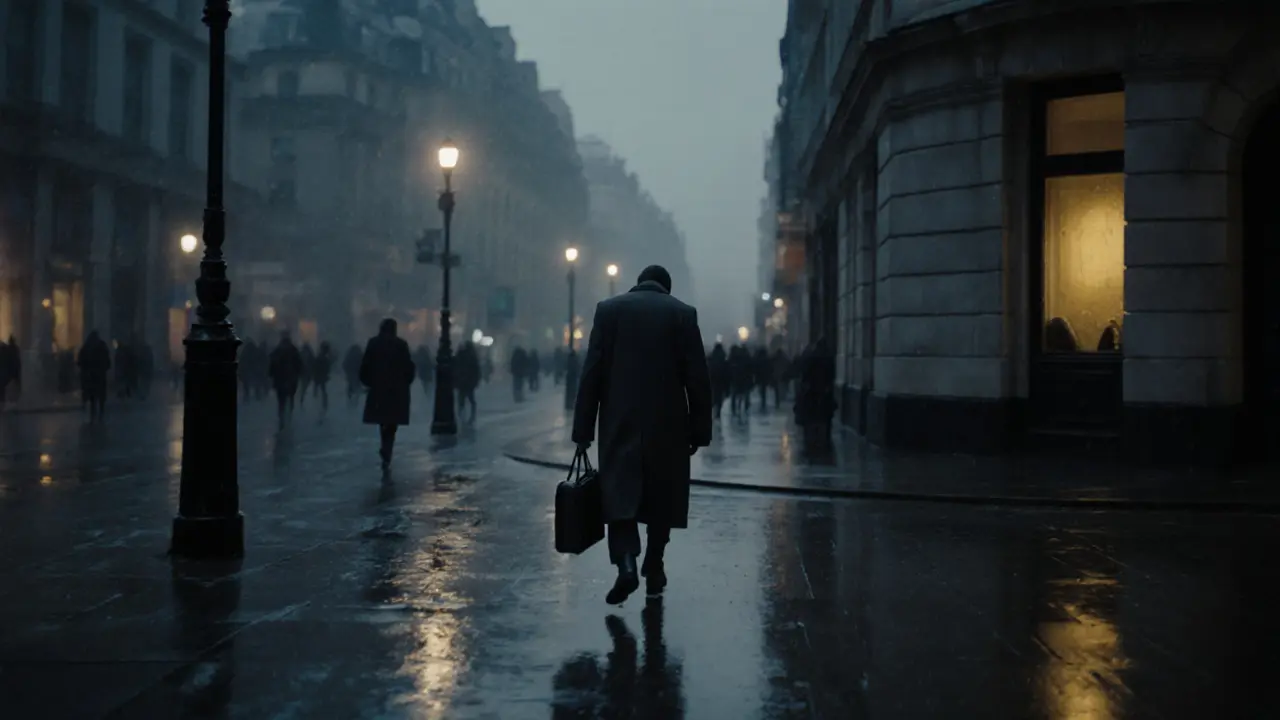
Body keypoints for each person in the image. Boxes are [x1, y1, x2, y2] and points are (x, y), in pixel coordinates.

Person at [572, 264, 713, 606]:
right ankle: (655, 561)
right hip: (669, 423)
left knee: (619, 498)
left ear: (638, 284)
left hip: (619, 420)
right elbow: (698, 379)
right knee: (661, 496)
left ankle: (626, 565)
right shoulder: (683, 314)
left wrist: (582, 431)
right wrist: (700, 430)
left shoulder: (609, 312)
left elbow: (591, 374)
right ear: (667, 287)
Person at [360, 318, 415, 471]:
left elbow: (365, 365)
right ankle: (387, 447)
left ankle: (385, 444)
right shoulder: (401, 344)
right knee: (392, 421)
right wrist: (406, 382)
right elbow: (408, 367)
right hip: (396, 389)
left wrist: (368, 382)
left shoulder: (374, 343)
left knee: (382, 418)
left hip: (378, 387)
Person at [268, 331, 303, 429]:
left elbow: (272, 365)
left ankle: (282, 416)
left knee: (281, 400)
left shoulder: (278, 351)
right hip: (291, 379)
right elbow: (299, 365)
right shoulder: (293, 350)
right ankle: (287, 415)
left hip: (281, 379)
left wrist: (271, 375)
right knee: (290, 398)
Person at [77, 331, 111, 421]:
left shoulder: (86, 347)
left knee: (93, 397)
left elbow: (80, 361)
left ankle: (93, 415)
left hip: (90, 376)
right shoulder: (102, 347)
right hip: (100, 375)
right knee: (100, 396)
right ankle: (100, 414)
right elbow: (107, 362)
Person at [455, 339, 481, 424]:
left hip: (462, 381)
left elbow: (455, 366)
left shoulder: (461, 355)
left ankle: (461, 415)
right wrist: (476, 381)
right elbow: (476, 370)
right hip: (469, 382)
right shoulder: (472, 356)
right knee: (471, 400)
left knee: (461, 399)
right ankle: (471, 416)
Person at [706, 342, 729, 419]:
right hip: (722, 380)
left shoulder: (712, 356)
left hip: (713, 379)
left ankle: (711, 408)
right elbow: (727, 369)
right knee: (719, 397)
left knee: (713, 395)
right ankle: (718, 412)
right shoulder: (723, 356)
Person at [313, 341, 333, 411]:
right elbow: (327, 367)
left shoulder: (320, 357)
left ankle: (319, 405)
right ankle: (322, 406)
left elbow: (315, 367)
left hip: (319, 376)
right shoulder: (324, 358)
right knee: (322, 391)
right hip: (321, 376)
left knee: (319, 390)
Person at [298, 343, 315, 407]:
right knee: (304, 386)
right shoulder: (309, 354)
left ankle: (301, 396)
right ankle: (301, 397)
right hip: (304, 373)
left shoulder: (308, 354)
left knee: (304, 386)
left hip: (306, 373)